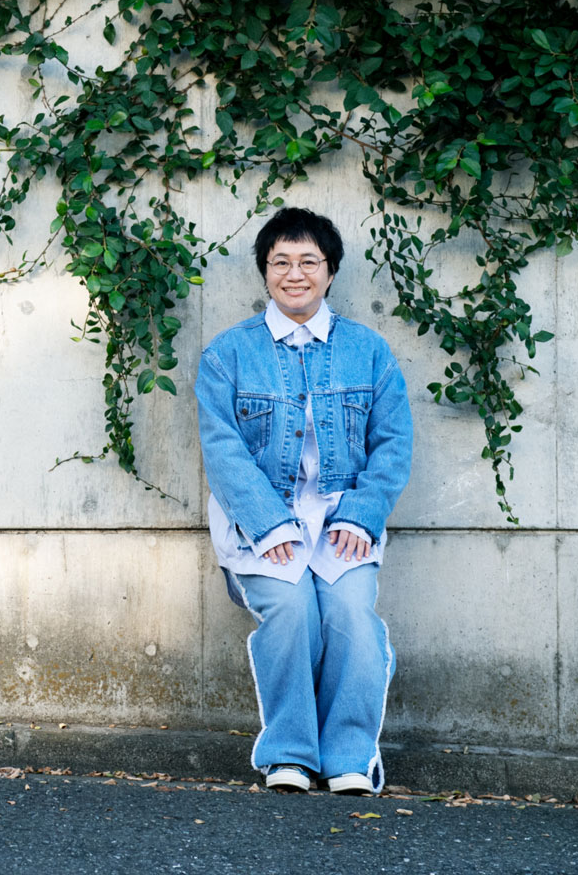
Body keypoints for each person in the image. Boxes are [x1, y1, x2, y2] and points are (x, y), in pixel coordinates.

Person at [194, 207, 413, 794]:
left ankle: (349, 757)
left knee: (353, 621)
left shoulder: (368, 351)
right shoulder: (227, 354)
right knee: (292, 615)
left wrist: (362, 514)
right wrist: (268, 524)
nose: (295, 274)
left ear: (330, 271)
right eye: (281, 262)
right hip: (261, 527)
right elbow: (223, 450)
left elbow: (393, 444)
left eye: (308, 261)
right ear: (265, 271)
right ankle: (289, 753)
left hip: (343, 526)